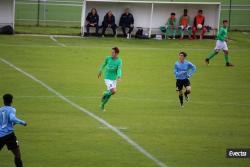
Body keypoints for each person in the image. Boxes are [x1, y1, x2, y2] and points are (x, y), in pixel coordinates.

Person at [0, 94, 27, 167]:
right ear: (12, 101)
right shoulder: (12, 109)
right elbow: (12, 119)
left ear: (3, 101)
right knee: (17, 154)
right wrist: (23, 122)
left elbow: (4, 122)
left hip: (0, 135)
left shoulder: (0, 110)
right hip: (9, 135)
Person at [98, 47, 122, 111]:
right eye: (111, 52)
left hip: (114, 79)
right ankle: (105, 93)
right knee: (113, 91)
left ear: (116, 53)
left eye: (113, 52)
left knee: (112, 93)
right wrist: (100, 71)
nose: (111, 53)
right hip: (107, 78)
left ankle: (102, 105)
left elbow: (119, 69)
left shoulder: (119, 61)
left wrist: (119, 76)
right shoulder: (108, 58)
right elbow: (104, 64)